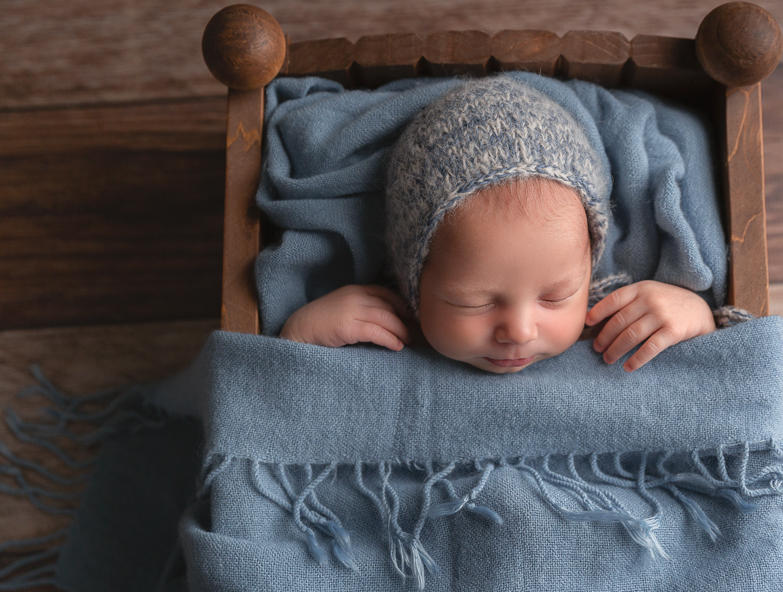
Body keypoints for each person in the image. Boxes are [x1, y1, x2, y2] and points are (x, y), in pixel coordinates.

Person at [280, 76, 716, 373]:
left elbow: (712, 393)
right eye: (474, 303)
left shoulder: (611, 319)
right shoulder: (383, 329)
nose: (520, 332)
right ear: (414, 280)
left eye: (556, 297)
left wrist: (697, 319)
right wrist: (298, 341)